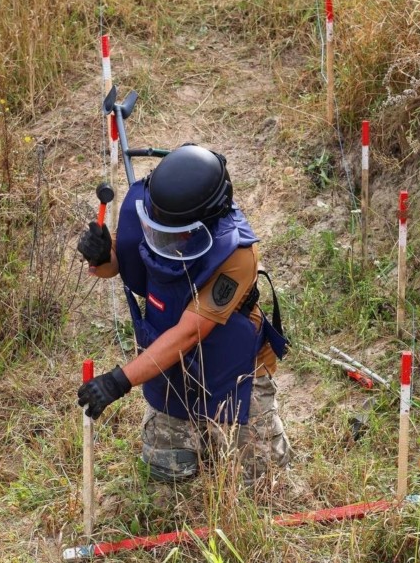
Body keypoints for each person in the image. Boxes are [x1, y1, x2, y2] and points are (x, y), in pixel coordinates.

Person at [77, 144, 291, 485]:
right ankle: (193, 430)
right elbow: (122, 261)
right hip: (169, 368)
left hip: (232, 369)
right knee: (166, 472)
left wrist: (119, 380)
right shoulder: (150, 211)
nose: (165, 238)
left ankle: (233, 431)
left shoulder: (237, 256)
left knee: (261, 481)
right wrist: (104, 256)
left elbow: (190, 333)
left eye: (177, 234)